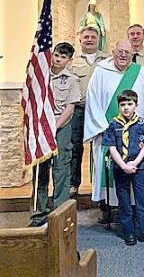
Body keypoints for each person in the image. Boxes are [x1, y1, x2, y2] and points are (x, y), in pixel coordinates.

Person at [84, 40, 144, 209]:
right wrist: (104, 126)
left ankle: (132, 209)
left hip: (134, 133)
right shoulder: (100, 71)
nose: (123, 55)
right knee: (106, 169)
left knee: (134, 170)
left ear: (133, 54)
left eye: (127, 52)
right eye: (120, 51)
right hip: (107, 131)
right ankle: (107, 208)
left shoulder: (140, 72)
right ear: (113, 51)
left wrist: (142, 129)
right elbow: (93, 99)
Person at [102, 90, 144, 247]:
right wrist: (123, 165)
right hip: (120, 167)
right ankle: (128, 231)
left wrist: (135, 162)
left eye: (129, 104)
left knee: (143, 200)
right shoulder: (113, 125)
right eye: (122, 105)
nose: (126, 108)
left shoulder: (142, 123)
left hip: (139, 166)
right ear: (118, 106)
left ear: (136, 105)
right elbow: (112, 147)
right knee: (124, 201)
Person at [30, 42, 81, 226]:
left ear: (69, 60)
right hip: (41, 127)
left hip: (61, 128)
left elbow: (70, 107)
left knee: (61, 171)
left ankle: (60, 215)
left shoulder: (71, 79)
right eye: (57, 55)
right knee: (40, 172)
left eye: (63, 57)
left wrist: (55, 127)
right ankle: (38, 215)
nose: (58, 59)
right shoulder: (40, 75)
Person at [69, 26, 109, 197]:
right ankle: (73, 184)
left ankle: (98, 185)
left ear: (98, 39)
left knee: (100, 147)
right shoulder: (72, 60)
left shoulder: (107, 59)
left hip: (100, 110)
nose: (90, 39)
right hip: (79, 109)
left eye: (93, 36)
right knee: (75, 147)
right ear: (80, 40)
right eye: (86, 37)